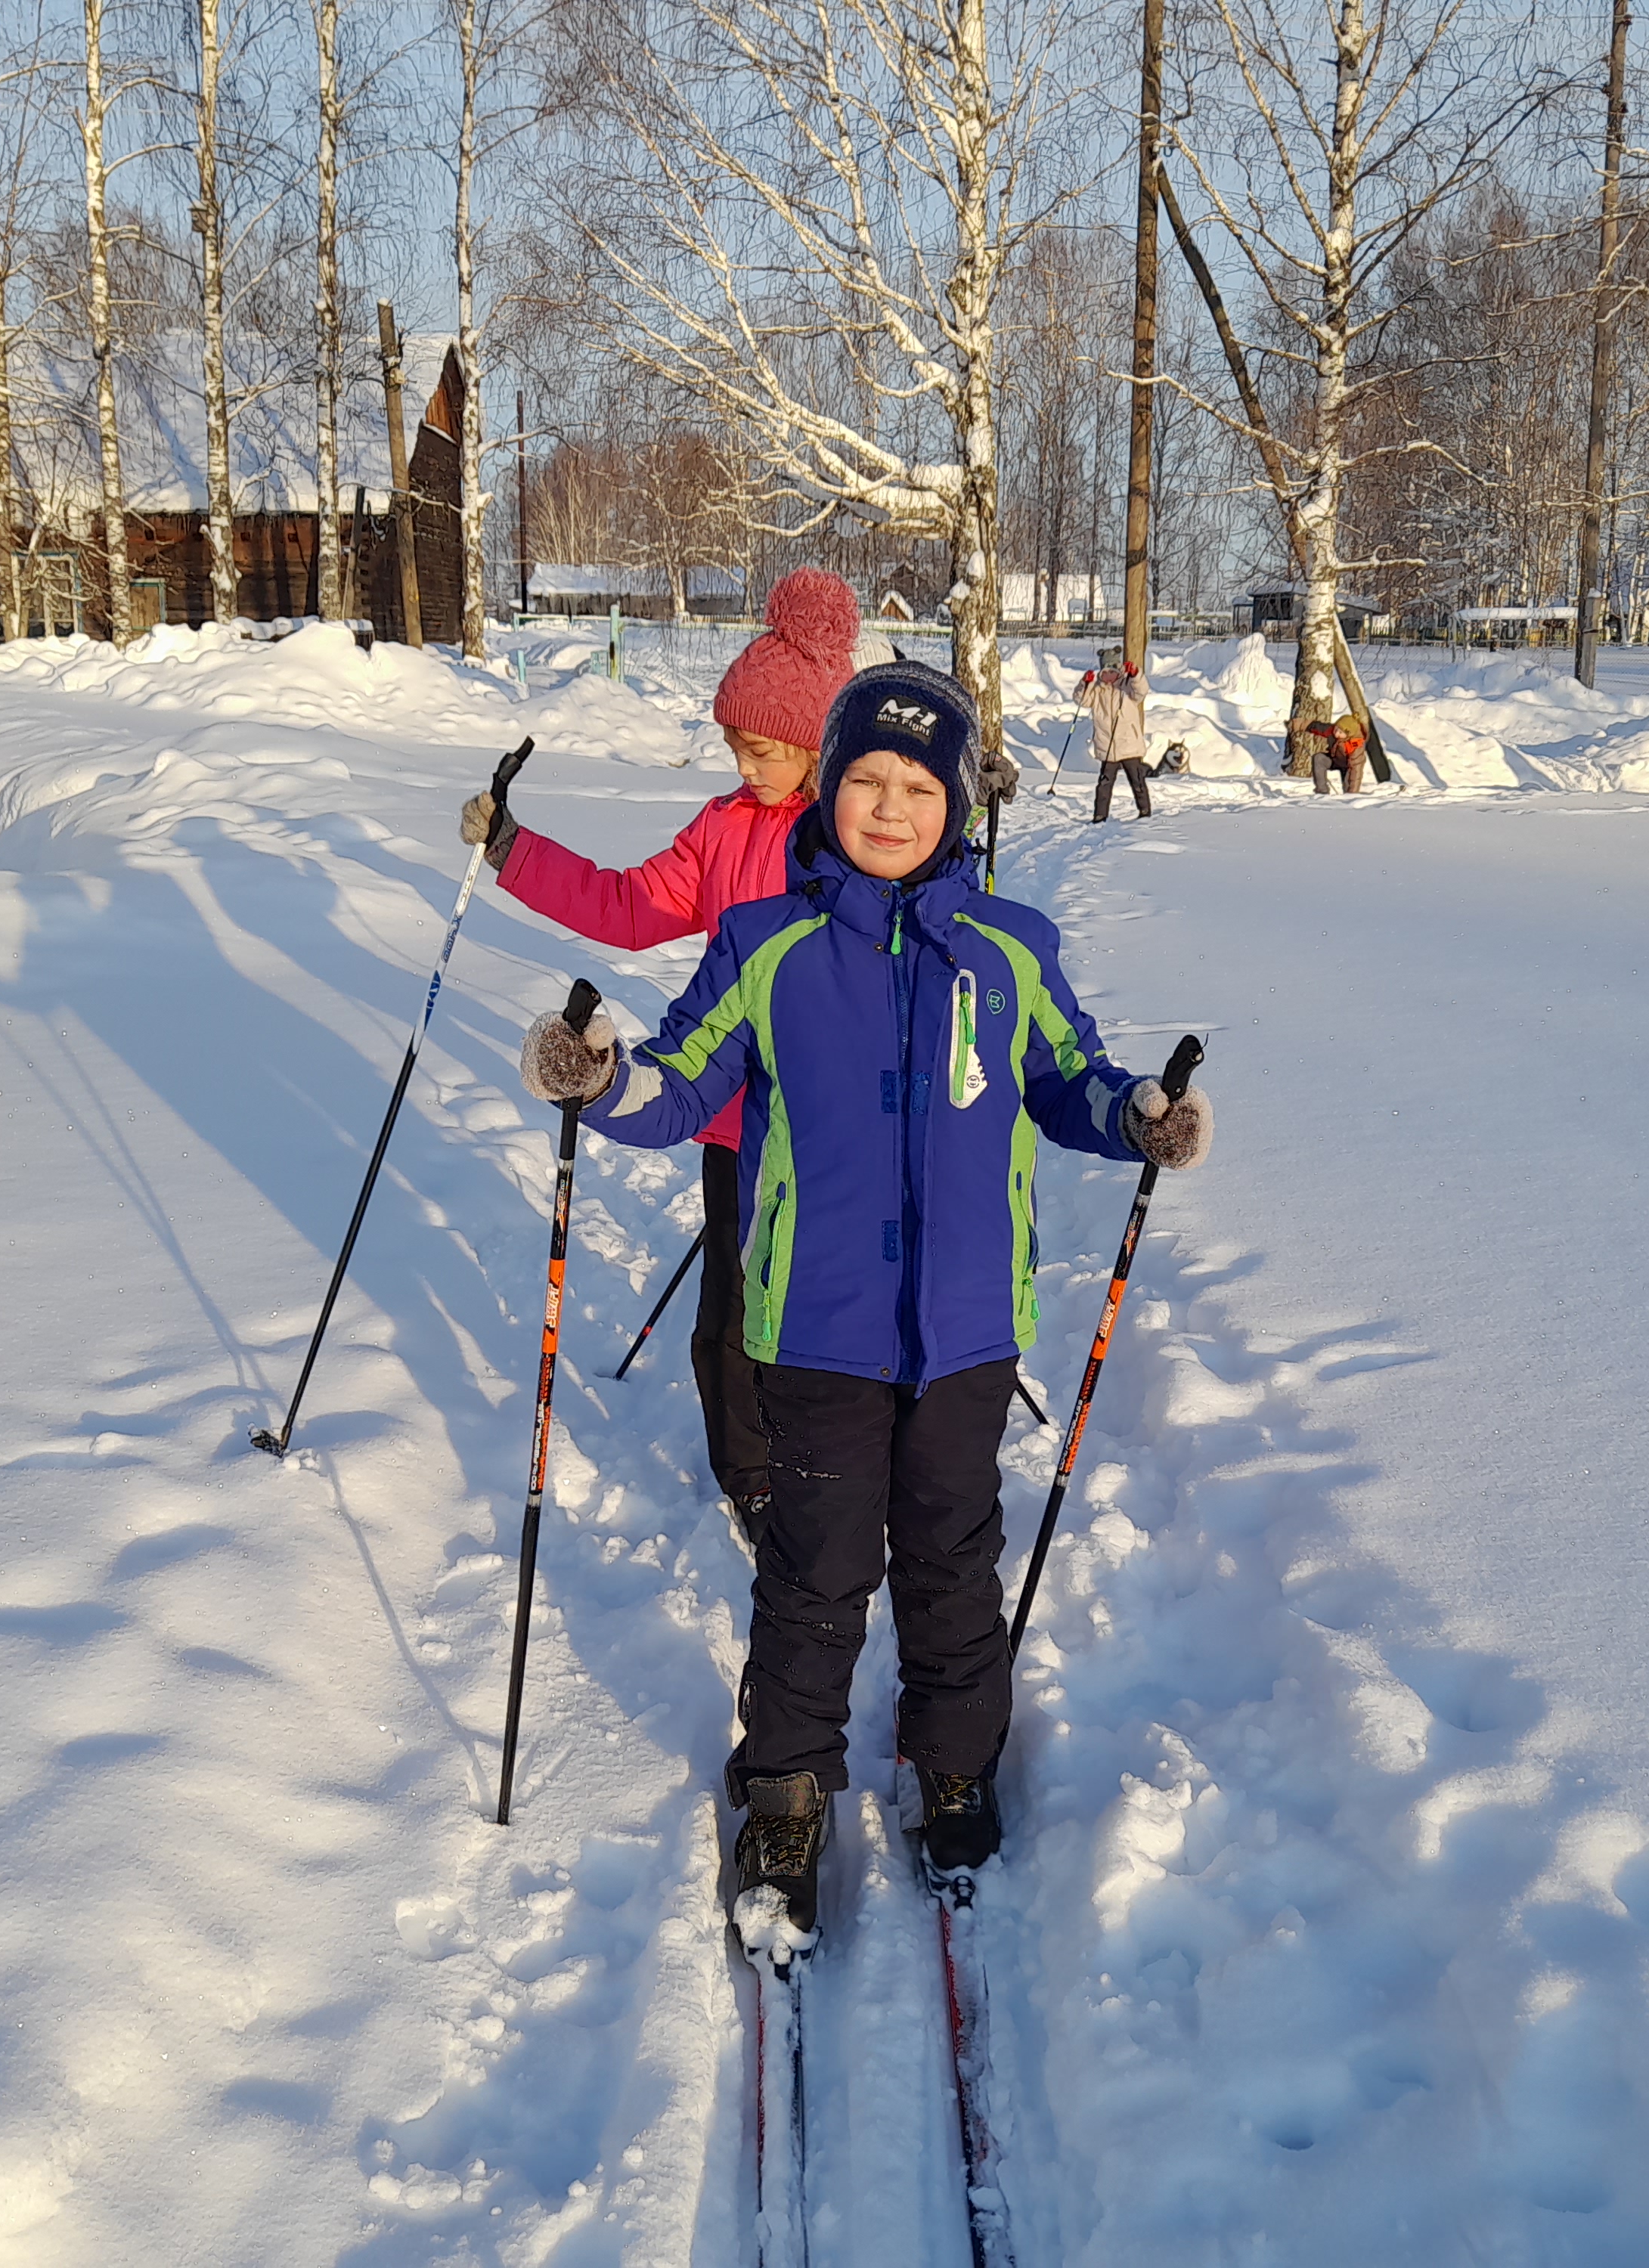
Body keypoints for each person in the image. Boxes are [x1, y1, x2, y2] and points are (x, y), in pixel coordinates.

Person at [515, 658, 1210, 1929]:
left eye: (916, 787)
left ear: (955, 804)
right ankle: (784, 1783)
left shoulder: (1007, 950)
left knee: (953, 1559)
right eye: (865, 783)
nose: (889, 810)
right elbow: (676, 1085)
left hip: (965, 1334)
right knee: (817, 1568)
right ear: (827, 791)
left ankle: (955, 1762)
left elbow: (1071, 1078)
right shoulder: (765, 944)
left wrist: (1138, 1117)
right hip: (815, 1328)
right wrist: (595, 1078)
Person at [459, 566, 862, 1544]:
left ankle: (845, 1449)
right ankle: (752, 1474)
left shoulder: (856, 831)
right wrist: (515, 850)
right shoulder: (722, 829)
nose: (746, 766)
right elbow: (629, 905)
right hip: (734, 1117)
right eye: (734, 746)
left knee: (832, 1302)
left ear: (815, 741)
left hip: (841, 1118)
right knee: (731, 1313)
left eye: (763, 749)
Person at [1078, 644, 1152, 822]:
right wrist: (1085, 684)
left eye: (1113, 672)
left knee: (1137, 780)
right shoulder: (1097, 689)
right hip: (1107, 745)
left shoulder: (1127, 685)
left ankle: (1145, 811)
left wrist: (1135, 674)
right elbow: (1082, 700)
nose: (1109, 677)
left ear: (1119, 671)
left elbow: (1141, 691)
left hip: (1129, 744)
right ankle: (1100, 815)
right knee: (1104, 783)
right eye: (1105, 673)